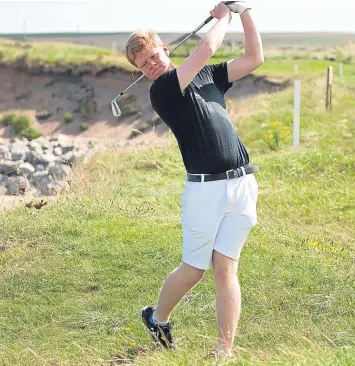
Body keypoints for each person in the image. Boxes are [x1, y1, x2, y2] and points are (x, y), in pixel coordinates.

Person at [123, 1, 263, 358]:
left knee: (226, 268)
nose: (152, 64)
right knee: (194, 270)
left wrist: (245, 11)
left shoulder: (209, 74)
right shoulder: (163, 90)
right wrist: (225, 15)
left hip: (241, 182)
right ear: (141, 72)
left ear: (165, 49)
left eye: (154, 56)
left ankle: (223, 352)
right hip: (205, 190)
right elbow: (206, 47)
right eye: (144, 64)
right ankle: (157, 317)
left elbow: (253, 59)